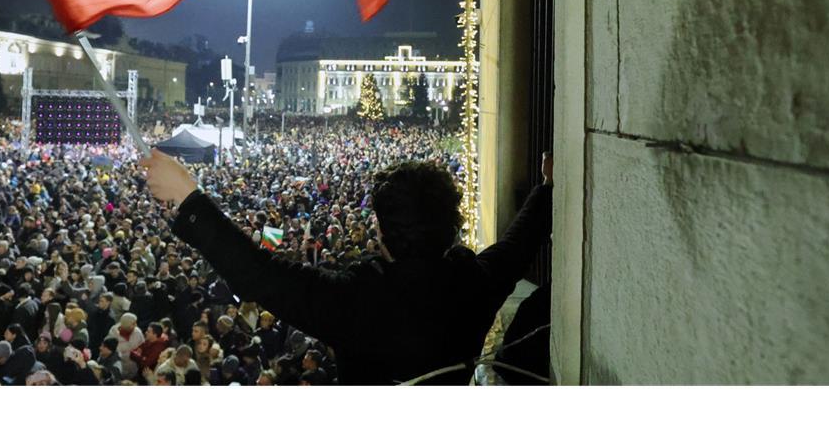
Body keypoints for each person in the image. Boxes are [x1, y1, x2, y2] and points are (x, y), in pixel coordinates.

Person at [140, 149, 552, 385]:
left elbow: (259, 274)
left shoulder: (356, 299)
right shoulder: (472, 282)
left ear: (381, 229)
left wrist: (187, 195)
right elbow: (519, 246)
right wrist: (547, 189)